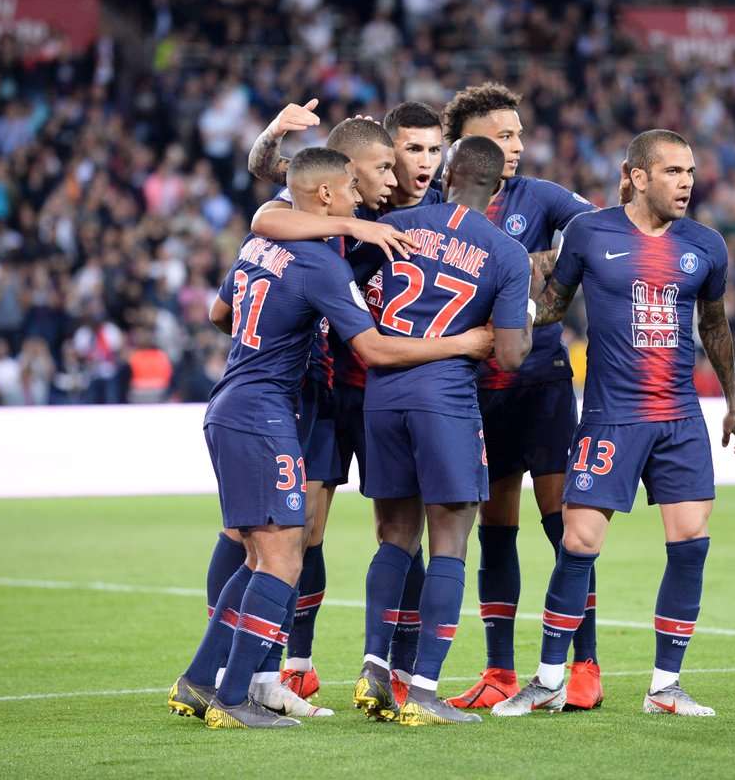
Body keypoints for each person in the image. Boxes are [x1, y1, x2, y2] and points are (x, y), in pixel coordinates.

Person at [166, 147, 494, 730]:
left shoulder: (259, 244)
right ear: (325, 195)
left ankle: (198, 680)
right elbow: (373, 350)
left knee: (259, 553)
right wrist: (464, 344)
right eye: (350, 188)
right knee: (283, 558)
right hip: (266, 415)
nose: (358, 199)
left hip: (230, 403)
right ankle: (234, 699)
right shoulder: (322, 265)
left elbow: (221, 313)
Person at [492, 128, 735, 718]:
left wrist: (733, 402)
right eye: (673, 171)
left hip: (679, 417)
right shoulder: (590, 232)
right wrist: (510, 317)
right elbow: (554, 305)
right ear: (637, 176)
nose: (686, 183)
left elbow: (714, 325)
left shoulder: (706, 244)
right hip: (611, 417)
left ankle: (665, 687)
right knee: (578, 543)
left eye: (690, 172)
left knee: (690, 543)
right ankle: (549, 679)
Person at [245, 102, 447, 702]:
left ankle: (394, 667)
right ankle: (296, 662)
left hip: (393, 391)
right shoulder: (338, 207)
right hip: (329, 388)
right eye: (402, 155)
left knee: (400, 530)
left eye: (430, 152)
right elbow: (266, 208)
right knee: (304, 530)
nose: (416, 166)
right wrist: (273, 137)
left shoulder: (435, 211)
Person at [349, 135, 533, 726]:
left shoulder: (393, 225)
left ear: (447, 174)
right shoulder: (505, 252)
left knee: (394, 538)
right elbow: (510, 356)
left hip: (382, 396)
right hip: (445, 400)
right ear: (497, 188)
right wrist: (525, 315)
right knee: (449, 542)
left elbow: (346, 287)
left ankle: (375, 669)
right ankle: (425, 692)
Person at [438, 83, 601, 711]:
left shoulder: (541, 196)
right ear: (466, 144)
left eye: (518, 134)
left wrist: (538, 263)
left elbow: (601, 230)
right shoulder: (437, 202)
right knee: (496, 528)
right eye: (503, 135)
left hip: (542, 379)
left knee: (564, 525)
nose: (516, 145)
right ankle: (500, 670)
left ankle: (584, 665)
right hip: (477, 383)